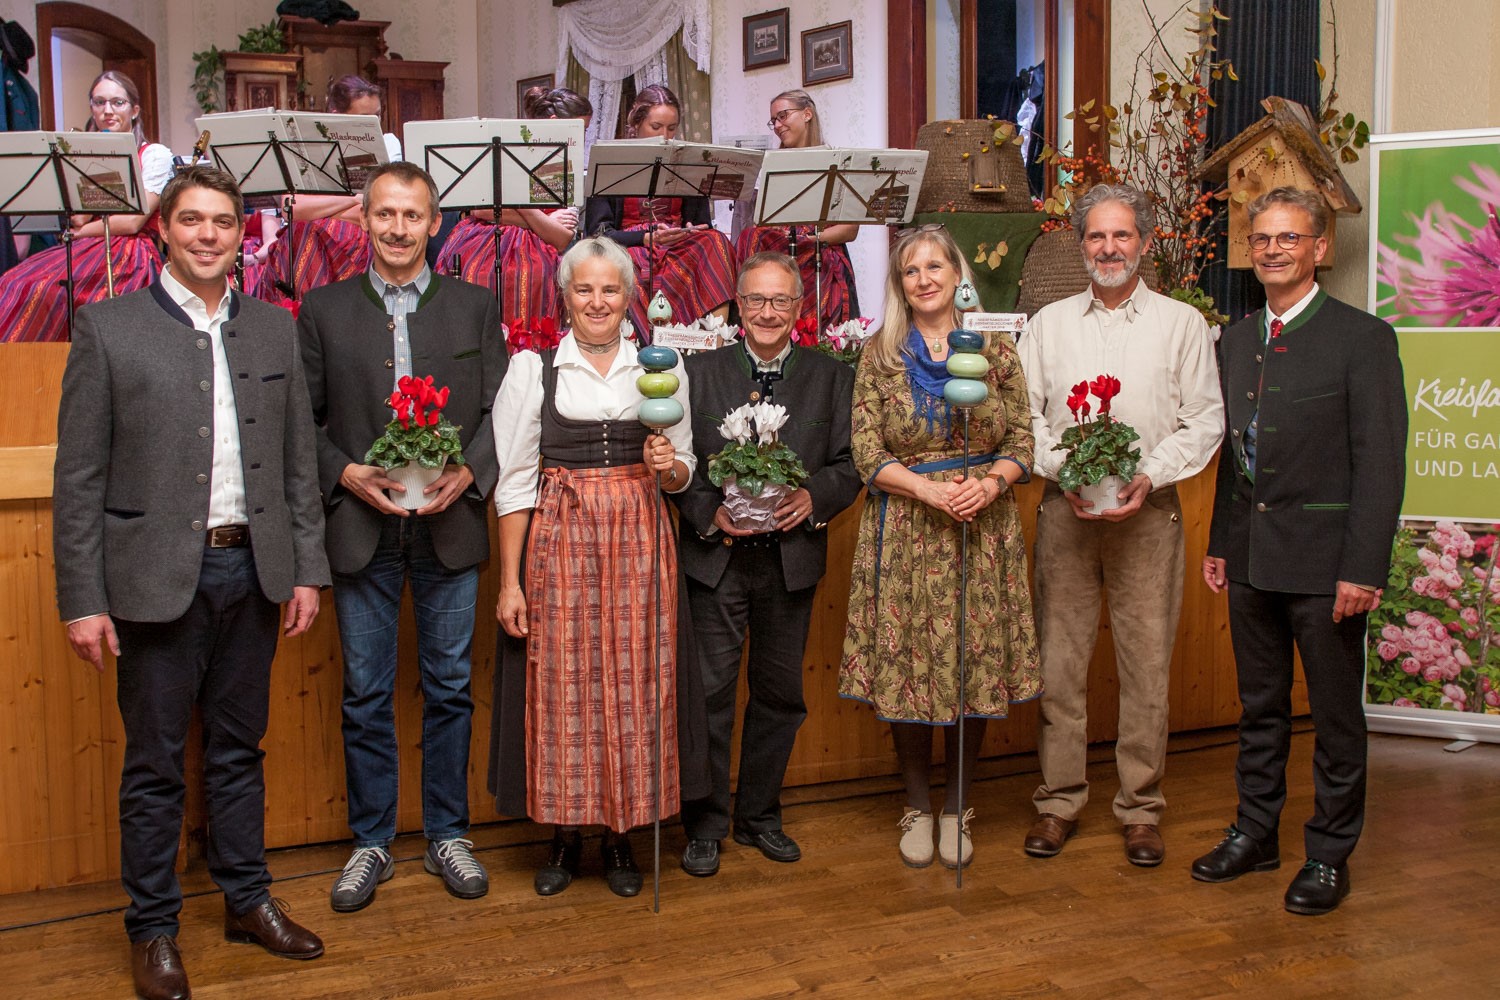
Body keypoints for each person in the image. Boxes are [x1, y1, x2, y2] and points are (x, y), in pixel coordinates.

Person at [53, 165, 329, 1000]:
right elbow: (79, 478)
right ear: (164, 230)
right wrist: (83, 598)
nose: (209, 235)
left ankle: (247, 899)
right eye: (192, 221)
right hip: (150, 581)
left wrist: (308, 568)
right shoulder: (108, 328)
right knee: (157, 765)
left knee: (241, 752)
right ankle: (154, 930)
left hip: (255, 571)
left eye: (223, 223)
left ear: (243, 234)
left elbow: (297, 467)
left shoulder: (277, 331)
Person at [297, 161, 506, 912]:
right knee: (365, 693)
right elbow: (303, 423)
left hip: (450, 530)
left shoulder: (477, 305)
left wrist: (470, 474)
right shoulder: (320, 309)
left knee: (450, 687)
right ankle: (372, 843)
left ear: (435, 223)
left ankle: (449, 833)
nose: (396, 228)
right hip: (361, 532)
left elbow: (500, 411)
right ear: (363, 218)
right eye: (384, 214)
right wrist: (347, 473)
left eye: (411, 216)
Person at [1195, 187, 1406, 915]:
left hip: (1328, 566)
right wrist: (1222, 542)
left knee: (1336, 718)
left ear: (1321, 248)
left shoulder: (1364, 339)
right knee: (1260, 709)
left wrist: (1363, 568)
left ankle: (1328, 855)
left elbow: (1380, 462)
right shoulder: (1238, 338)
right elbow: (1236, 454)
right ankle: (1256, 834)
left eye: (1290, 238)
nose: (1274, 249)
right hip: (1252, 557)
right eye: (1263, 240)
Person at [1017, 183, 1224, 867]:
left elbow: (1207, 421)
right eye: (1097, 237)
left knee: (1145, 669)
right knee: (1061, 665)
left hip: (1150, 514)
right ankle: (1059, 802)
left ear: (1145, 241)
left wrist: (1150, 475)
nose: (1110, 248)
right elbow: (1028, 419)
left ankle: (1140, 808)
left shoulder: (1181, 325)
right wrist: (1063, 472)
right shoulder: (1048, 325)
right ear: (1081, 245)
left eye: (1122, 235)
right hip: (1065, 512)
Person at [491, 236, 695, 897]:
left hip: (641, 540)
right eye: (585, 289)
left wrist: (671, 471)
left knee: (634, 685)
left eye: (611, 289)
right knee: (565, 687)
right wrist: (510, 581)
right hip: (562, 540)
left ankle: (620, 836)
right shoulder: (535, 370)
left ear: (630, 296)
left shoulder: (661, 368)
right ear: (565, 296)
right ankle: (562, 833)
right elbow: (516, 482)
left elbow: (683, 473)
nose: (598, 301)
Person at [840, 226, 1039, 869]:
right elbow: (866, 452)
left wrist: (988, 484)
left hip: (982, 527)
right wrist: (929, 493)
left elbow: (1023, 443)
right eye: (910, 270)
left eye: (935, 266)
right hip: (905, 527)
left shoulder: (998, 351)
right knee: (910, 663)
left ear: (958, 274)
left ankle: (959, 807)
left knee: (969, 660)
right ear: (900, 284)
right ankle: (917, 806)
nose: (924, 279)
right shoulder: (880, 355)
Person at [672, 252, 861, 876]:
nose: (768, 312)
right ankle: (704, 823)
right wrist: (707, 512)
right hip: (716, 559)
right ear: (737, 306)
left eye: (781, 301)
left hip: (790, 559)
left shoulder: (831, 376)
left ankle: (760, 816)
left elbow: (849, 464)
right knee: (710, 694)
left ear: (800, 309)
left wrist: (815, 499)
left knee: (780, 696)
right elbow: (680, 465)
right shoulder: (696, 373)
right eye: (756, 300)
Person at [0, 70, 171, 341]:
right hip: (85, 245)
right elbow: (78, 217)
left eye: (118, 102)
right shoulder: (79, 152)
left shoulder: (153, 154)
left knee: (66, 295)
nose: (107, 111)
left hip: (132, 250)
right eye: (99, 102)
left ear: (135, 110)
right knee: (15, 284)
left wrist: (80, 232)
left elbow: (132, 221)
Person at [586, 84, 738, 335]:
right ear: (636, 125)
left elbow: (701, 224)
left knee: (716, 241)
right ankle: (647, 341)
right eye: (656, 127)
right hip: (631, 246)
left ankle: (715, 341)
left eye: (672, 127)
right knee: (625, 264)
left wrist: (689, 230)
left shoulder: (686, 160)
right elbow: (597, 233)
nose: (665, 135)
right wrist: (645, 237)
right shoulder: (611, 160)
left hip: (675, 244)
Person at [436, 86, 584, 331]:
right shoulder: (503, 149)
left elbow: (560, 238)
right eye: (580, 130)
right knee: (476, 272)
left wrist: (513, 202)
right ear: (555, 123)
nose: (582, 139)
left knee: (537, 274)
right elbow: (481, 211)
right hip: (482, 240)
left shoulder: (564, 166)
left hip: (538, 250)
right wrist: (538, 215)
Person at [249, 75, 400, 303]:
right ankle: (308, 318)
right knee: (304, 234)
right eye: (364, 118)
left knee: (308, 234)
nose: (374, 125)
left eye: (377, 116)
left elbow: (378, 212)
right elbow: (293, 209)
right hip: (310, 234)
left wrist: (324, 208)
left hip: (360, 237)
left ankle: (309, 316)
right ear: (336, 117)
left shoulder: (388, 143)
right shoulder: (307, 147)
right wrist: (355, 198)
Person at [735, 89, 859, 328]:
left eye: (783, 116)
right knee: (750, 237)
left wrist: (813, 239)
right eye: (774, 120)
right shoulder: (772, 163)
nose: (778, 125)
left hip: (821, 245)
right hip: (781, 245)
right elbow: (764, 222)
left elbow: (850, 230)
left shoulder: (838, 161)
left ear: (807, 114)